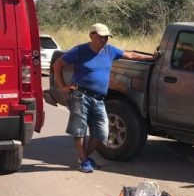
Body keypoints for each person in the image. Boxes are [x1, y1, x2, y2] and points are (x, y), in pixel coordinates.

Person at [53, 23, 158, 173]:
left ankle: (85, 158)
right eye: (101, 37)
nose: (104, 40)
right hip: (80, 95)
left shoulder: (110, 50)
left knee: (102, 132)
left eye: (106, 37)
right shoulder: (79, 50)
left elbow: (131, 55)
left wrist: (153, 58)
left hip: (99, 98)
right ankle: (84, 161)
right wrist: (62, 87)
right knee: (79, 130)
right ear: (91, 35)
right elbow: (57, 65)